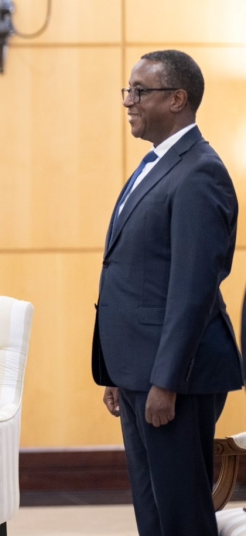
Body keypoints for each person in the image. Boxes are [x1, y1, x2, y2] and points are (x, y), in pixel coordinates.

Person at [93, 49, 242, 536]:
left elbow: (192, 290)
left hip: (176, 377)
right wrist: (117, 370)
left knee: (182, 516)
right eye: (128, 91)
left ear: (177, 99)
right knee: (153, 514)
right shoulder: (154, 165)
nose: (129, 101)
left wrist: (166, 381)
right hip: (139, 370)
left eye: (140, 91)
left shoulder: (200, 171)